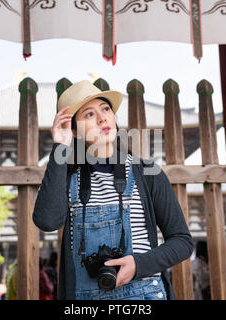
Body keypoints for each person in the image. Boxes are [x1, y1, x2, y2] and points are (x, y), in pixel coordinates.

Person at [32, 80, 193, 300]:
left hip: (145, 295)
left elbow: (182, 241)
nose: (102, 118)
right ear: (75, 132)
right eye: (89, 114)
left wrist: (138, 264)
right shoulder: (68, 180)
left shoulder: (148, 172)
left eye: (106, 109)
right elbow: (47, 221)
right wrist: (60, 146)